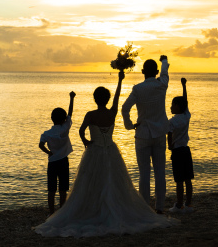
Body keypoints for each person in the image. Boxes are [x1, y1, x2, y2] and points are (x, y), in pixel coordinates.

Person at [34, 71, 172, 237]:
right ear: (106, 99)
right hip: (111, 151)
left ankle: (94, 207)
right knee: (112, 180)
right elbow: (117, 97)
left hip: (95, 151)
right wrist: (120, 80)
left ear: (94, 99)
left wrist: (86, 141)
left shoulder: (90, 115)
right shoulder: (112, 112)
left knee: (93, 181)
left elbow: (81, 131)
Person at [122, 55, 170, 213]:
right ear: (155, 71)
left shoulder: (138, 89)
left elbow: (124, 108)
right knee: (160, 172)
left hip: (142, 135)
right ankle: (160, 208)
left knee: (144, 173)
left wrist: (129, 126)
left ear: (142, 71)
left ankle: (144, 208)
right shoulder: (161, 84)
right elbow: (165, 73)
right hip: (159, 135)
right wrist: (163, 61)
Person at [38, 91, 76, 215]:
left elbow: (40, 145)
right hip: (63, 161)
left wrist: (48, 152)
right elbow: (70, 113)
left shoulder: (47, 133)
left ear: (52, 119)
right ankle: (62, 212)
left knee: (51, 190)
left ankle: (51, 212)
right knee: (63, 189)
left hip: (53, 162)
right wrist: (71, 98)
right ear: (63, 119)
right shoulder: (65, 129)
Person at [167, 77, 194, 214]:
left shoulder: (172, 121)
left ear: (177, 106)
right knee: (188, 178)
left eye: (172, 105)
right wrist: (184, 86)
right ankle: (188, 204)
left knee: (179, 180)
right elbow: (185, 100)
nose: (170, 107)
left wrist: (169, 146)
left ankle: (179, 205)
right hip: (186, 150)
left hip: (177, 151)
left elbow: (169, 134)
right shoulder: (186, 116)